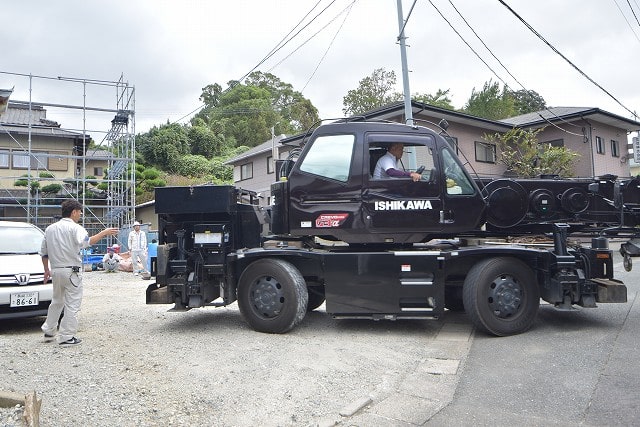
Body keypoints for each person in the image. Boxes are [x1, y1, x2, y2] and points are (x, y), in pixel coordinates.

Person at [40, 199, 119, 345]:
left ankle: (48, 330)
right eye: (80, 212)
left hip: (55, 270)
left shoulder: (50, 229)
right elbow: (87, 242)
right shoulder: (75, 228)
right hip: (71, 270)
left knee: (57, 301)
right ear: (74, 212)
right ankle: (66, 336)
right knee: (72, 304)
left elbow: (44, 253)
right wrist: (104, 232)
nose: (80, 215)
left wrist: (46, 270)